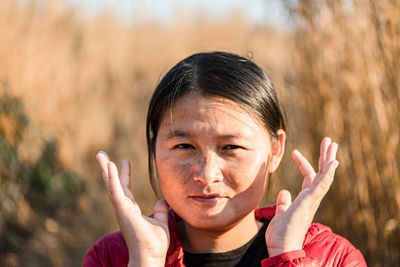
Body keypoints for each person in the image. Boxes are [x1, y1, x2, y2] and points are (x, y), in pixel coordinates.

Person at [82, 52, 366, 266]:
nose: (207, 175)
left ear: (275, 150)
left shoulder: (332, 256)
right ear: (154, 148)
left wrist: (287, 255)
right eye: (184, 146)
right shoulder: (114, 257)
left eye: (230, 147)